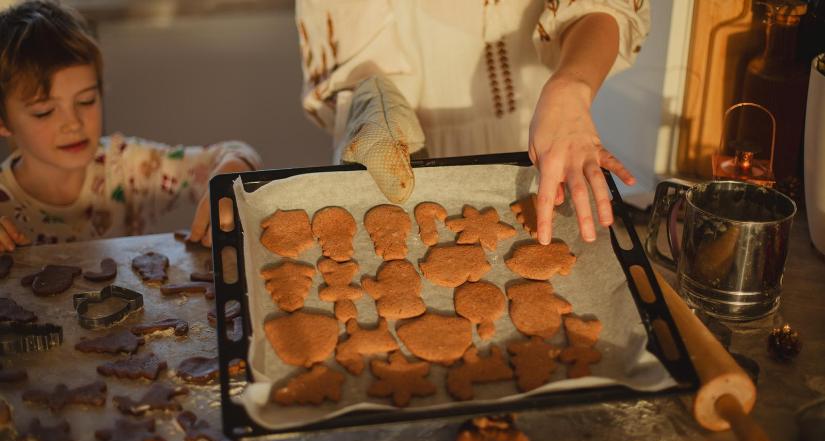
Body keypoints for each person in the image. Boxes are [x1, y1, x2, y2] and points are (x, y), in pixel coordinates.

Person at [295, 0, 650, 244]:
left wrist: (571, 85)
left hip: (539, 138)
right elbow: (348, 65)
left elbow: (606, 6)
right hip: (393, 152)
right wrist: (375, 104)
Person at [0, 0, 261, 251]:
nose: (73, 123)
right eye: (44, 112)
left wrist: (229, 176)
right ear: (4, 122)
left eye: (86, 100)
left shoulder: (127, 168)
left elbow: (236, 152)